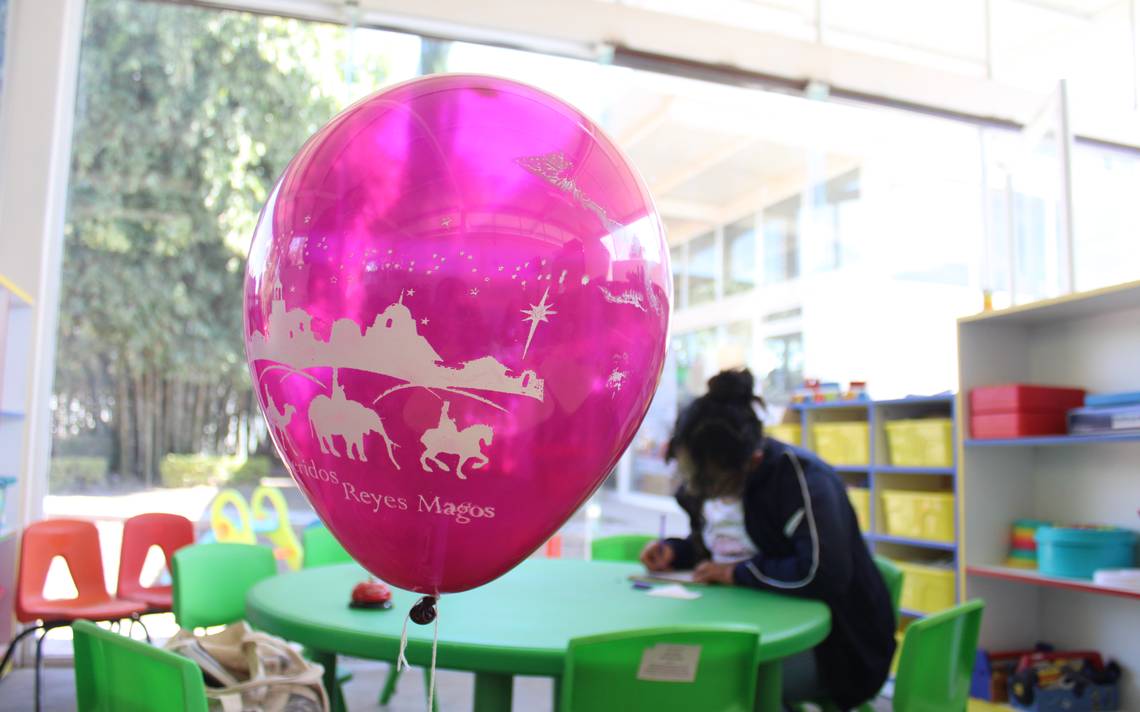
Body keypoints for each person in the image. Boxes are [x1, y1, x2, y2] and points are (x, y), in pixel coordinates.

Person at [640, 369, 895, 709]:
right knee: (661, 671)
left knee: (712, 681)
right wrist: (676, 551)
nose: (706, 495)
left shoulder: (802, 481)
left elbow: (823, 573)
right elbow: (723, 545)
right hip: (747, 623)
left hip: (838, 649)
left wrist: (735, 574)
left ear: (752, 461)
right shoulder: (702, 481)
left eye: (718, 486)